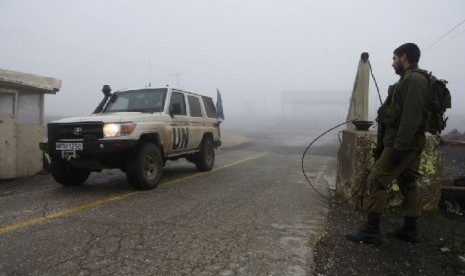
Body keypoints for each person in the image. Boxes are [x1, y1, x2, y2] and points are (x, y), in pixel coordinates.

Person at [347, 43, 429, 244]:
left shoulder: (415, 80)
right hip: (406, 142)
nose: (392, 63)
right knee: (407, 182)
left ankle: (372, 230)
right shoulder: (407, 80)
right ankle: (410, 230)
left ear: (404, 57)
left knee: (378, 180)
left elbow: (412, 117)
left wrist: (398, 147)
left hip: (403, 143)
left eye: (394, 59)